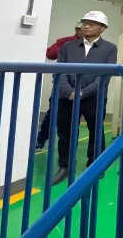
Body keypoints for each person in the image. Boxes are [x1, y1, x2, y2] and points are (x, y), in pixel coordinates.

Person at [52, 11, 117, 186]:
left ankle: (95, 166)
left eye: (92, 24)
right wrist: (69, 92)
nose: (87, 26)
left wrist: (83, 92)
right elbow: (60, 71)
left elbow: (105, 76)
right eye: (85, 23)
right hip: (67, 98)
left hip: (94, 98)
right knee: (65, 132)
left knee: (96, 131)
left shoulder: (109, 48)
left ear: (102, 28)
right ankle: (65, 167)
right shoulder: (68, 47)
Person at [36, 20, 83, 151]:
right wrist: (70, 49)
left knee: (77, 120)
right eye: (82, 28)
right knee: (53, 114)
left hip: (84, 87)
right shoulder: (65, 42)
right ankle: (41, 139)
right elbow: (50, 53)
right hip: (62, 87)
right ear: (77, 30)